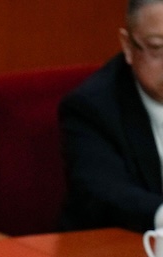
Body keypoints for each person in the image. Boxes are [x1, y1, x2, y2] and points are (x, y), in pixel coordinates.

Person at [60, 0, 163, 232]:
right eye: (157, 47)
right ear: (127, 46)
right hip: (117, 251)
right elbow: (104, 193)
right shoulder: (92, 107)